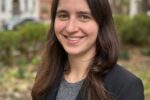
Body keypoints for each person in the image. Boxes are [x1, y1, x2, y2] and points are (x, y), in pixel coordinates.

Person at [31, 0, 144, 100]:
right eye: (63, 15)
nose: (70, 28)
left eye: (84, 17)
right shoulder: (45, 77)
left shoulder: (126, 86)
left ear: (101, 23)